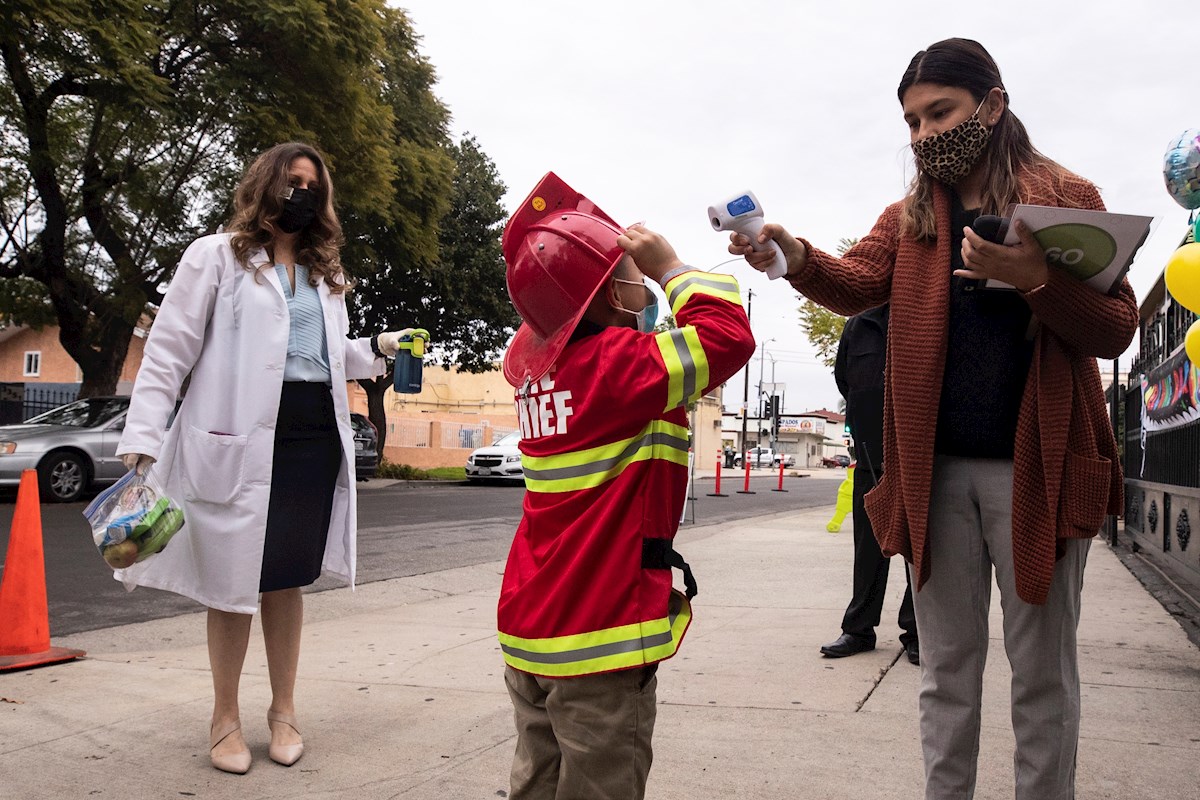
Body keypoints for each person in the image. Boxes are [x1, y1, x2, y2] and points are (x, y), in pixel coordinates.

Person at [729, 38, 1137, 800]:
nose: (923, 136)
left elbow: (1116, 330)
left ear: (993, 105)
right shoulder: (913, 213)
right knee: (947, 673)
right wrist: (791, 251)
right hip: (935, 474)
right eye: (912, 122)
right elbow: (855, 283)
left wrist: (1036, 279)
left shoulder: (1067, 198)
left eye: (939, 113)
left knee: (1042, 678)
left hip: (1038, 472)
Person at [116, 142, 416, 775]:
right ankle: (225, 718)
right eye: (292, 181)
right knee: (231, 584)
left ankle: (284, 712)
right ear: (266, 185)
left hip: (311, 439)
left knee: (285, 578)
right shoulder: (217, 258)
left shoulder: (325, 276)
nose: (302, 194)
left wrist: (378, 349)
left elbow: (322, 355)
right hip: (240, 436)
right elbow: (169, 349)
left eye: (313, 185)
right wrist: (142, 438)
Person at [498, 172, 754, 799]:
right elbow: (728, 335)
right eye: (623, 268)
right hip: (599, 636)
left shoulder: (538, 372)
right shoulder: (618, 368)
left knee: (538, 780)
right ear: (612, 297)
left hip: (532, 626)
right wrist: (670, 267)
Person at [821, 305, 919, 664]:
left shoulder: (923, 313)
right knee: (868, 549)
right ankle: (858, 629)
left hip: (918, 453)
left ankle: (917, 632)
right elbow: (844, 381)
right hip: (870, 453)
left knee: (918, 548)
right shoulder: (857, 324)